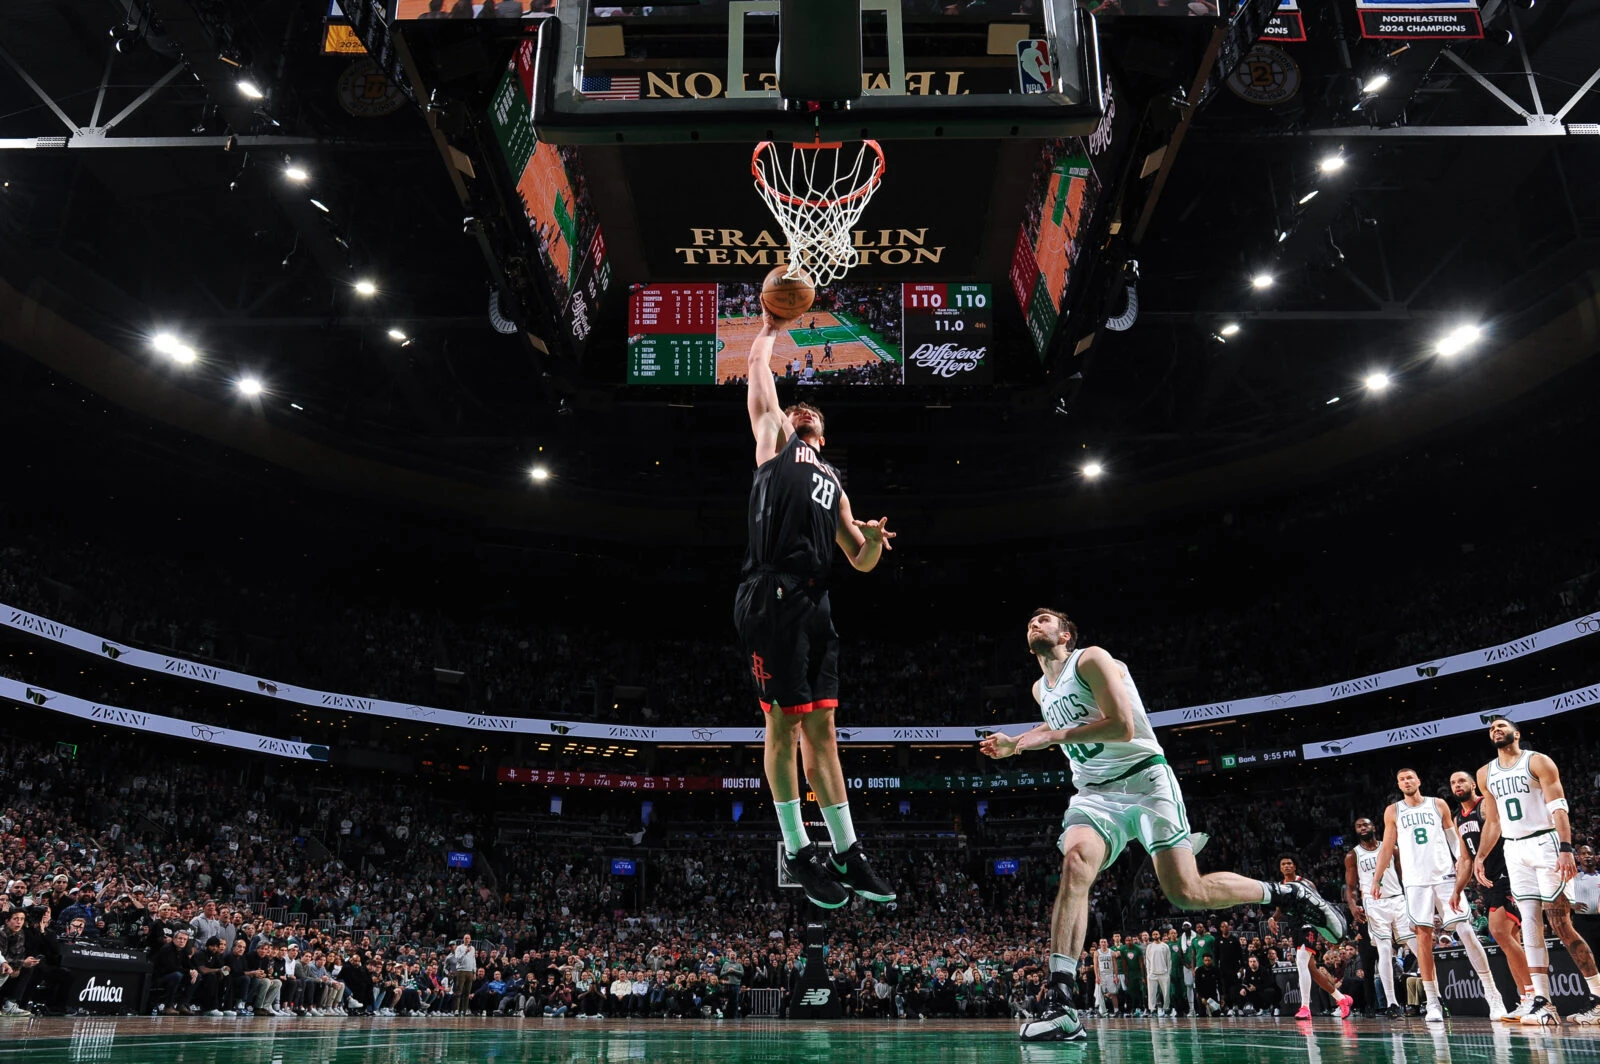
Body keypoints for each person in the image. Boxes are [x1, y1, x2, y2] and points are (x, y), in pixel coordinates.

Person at [979, 607, 1345, 1041]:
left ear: (1066, 634)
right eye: (1029, 622)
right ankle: (1062, 1004)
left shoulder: (1091, 659)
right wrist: (1017, 743)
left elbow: (1120, 725)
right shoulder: (1040, 689)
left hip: (1146, 780)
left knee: (1186, 892)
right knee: (1076, 863)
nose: (1033, 624)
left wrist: (1051, 738)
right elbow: (1053, 723)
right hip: (1095, 794)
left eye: (1044, 619)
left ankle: (1288, 893)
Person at [736, 311, 897, 909]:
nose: (802, 411)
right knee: (784, 723)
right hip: (769, 592)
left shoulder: (834, 481)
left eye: (813, 414)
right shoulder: (773, 442)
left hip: (814, 600)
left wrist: (874, 542)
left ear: (823, 434)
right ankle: (800, 848)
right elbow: (756, 374)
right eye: (797, 409)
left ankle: (849, 850)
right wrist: (770, 327)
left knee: (823, 727)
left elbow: (858, 559)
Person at [1473, 715, 1600, 1025]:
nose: (1496, 730)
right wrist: (1480, 856)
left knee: (1560, 923)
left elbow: (1559, 806)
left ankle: (1598, 995)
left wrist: (1566, 848)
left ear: (1516, 733)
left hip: (1545, 843)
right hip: (1514, 848)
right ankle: (1542, 1002)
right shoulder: (1484, 773)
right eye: (1491, 728)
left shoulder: (1538, 762)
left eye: (1502, 726)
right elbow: (1493, 821)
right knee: (1529, 923)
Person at [1371, 766, 1507, 1023]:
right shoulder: (1393, 811)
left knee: (1466, 931)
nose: (1407, 781)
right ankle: (1432, 1001)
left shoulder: (1439, 804)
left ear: (1419, 780)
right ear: (1398, 786)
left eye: (1410, 777)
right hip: (1415, 882)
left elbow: (1455, 839)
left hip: (1444, 876)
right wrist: (1377, 877)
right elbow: (1388, 846)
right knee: (1423, 939)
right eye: (1401, 779)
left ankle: (1493, 995)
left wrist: (1462, 864)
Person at [1452, 769, 1534, 1019]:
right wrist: (1457, 890)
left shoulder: (1486, 804)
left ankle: (1535, 995)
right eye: (1453, 782)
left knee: (1499, 932)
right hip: (1487, 881)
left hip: (1507, 871)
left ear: (1473, 784)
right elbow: (1465, 860)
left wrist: (1481, 858)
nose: (1457, 785)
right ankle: (1526, 999)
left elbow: (1495, 830)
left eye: (1461, 780)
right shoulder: (1458, 819)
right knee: (1509, 940)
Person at [1344, 816, 1415, 1017]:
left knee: (1415, 944)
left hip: (1398, 899)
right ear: (1356, 831)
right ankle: (1392, 1003)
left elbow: (1405, 876)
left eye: (1366, 824)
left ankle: (1434, 996)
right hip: (1374, 904)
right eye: (1358, 826)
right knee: (1384, 951)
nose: (1363, 827)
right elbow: (1350, 888)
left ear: (1374, 827)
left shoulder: (1391, 848)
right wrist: (1353, 906)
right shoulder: (1353, 855)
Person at [1145, 928, 1172, 1016]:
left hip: (1164, 973)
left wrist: (1168, 973)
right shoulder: (1149, 946)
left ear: (1159, 935)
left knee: (1166, 992)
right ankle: (1152, 1010)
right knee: (1151, 993)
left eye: (1156, 934)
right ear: (1152, 936)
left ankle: (1166, 1009)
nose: (1155, 935)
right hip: (1152, 973)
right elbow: (1147, 961)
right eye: (1153, 934)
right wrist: (1148, 973)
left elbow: (1169, 960)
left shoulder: (1165, 946)